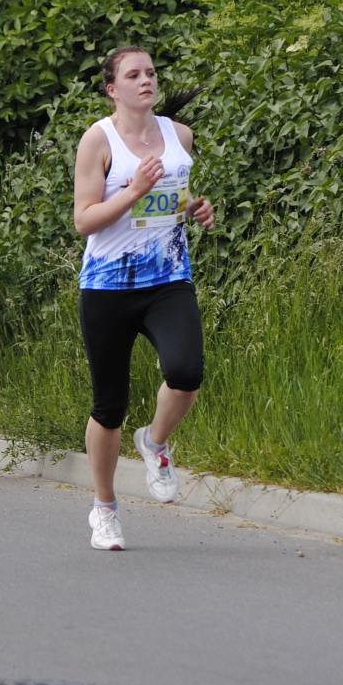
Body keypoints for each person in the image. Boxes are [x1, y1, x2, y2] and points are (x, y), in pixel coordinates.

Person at [73, 45, 215, 550]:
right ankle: (105, 509)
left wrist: (196, 209)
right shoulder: (98, 140)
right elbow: (84, 220)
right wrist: (132, 191)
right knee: (108, 406)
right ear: (113, 89)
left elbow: (174, 197)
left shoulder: (180, 136)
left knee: (186, 372)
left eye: (151, 72)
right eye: (134, 75)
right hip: (107, 288)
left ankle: (154, 442)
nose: (146, 80)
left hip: (167, 280)